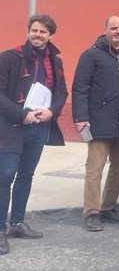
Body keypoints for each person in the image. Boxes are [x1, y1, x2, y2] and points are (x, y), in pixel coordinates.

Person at [0, 15, 67, 254]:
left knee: (26, 175)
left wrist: (52, 111)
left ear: (50, 36)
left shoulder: (55, 62)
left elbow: (61, 93)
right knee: (5, 176)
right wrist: (21, 115)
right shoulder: (9, 57)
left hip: (38, 127)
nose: (37, 35)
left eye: (43, 32)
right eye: (34, 31)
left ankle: (17, 223)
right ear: (28, 31)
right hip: (11, 127)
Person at [72, 16, 119, 232]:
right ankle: (91, 212)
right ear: (105, 30)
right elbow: (80, 88)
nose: (118, 31)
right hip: (98, 123)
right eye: (113, 28)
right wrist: (80, 118)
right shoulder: (91, 55)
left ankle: (108, 207)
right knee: (95, 169)